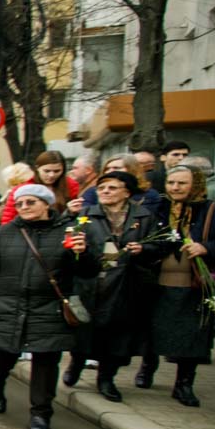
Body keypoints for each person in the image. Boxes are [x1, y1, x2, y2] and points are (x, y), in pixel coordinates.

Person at [0, 183, 97, 429]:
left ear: (46, 204)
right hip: (8, 305)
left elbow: (89, 272)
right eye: (20, 203)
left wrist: (84, 253)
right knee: (0, 361)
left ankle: (41, 412)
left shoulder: (69, 231)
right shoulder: (5, 232)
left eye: (31, 202)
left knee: (46, 364)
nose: (24, 207)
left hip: (49, 308)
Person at [145, 165, 215, 406]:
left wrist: (207, 248)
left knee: (192, 335)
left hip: (195, 283)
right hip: (158, 281)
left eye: (182, 183)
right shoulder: (157, 209)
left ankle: (184, 384)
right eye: (171, 182)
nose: (175, 188)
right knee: (152, 329)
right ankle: (147, 368)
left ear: (195, 184)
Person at [67, 168, 159, 401]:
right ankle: (76, 363)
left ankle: (106, 378)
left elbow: (160, 246)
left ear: (127, 192)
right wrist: (79, 249)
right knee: (84, 330)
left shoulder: (143, 216)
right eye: (101, 188)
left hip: (126, 285)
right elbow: (69, 245)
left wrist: (144, 249)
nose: (105, 192)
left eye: (112, 188)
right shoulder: (87, 214)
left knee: (118, 335)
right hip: (91, 282)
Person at [0, 152, 79, 224]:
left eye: (57, 171)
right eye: (47, 171)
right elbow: (8, 218)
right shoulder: (22, 189)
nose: (51, 175)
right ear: (37, 168)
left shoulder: (71, 186)